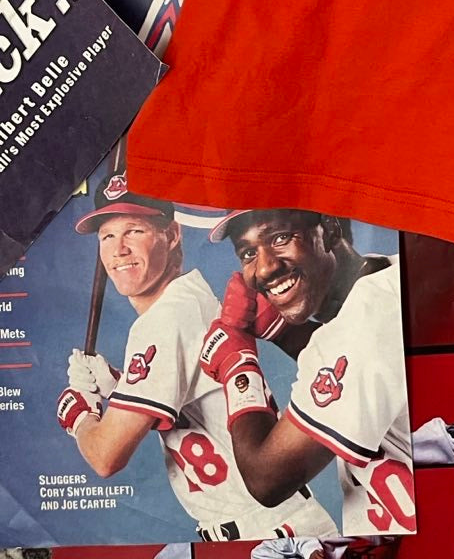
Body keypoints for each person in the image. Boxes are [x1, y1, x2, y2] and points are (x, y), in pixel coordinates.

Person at [54, 176, 336, 541]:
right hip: (269, 526)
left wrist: (81, 416)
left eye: (134, 231)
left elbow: (105, 456)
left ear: (173, 235)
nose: (119, 250)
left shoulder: (164, 319)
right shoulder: (188, 299)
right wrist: (118, 385)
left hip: (272, 532)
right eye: (107, 236)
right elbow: (190, 405)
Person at [197, 209, 454, 535]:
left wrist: (237, 363)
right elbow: (350, 368)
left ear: (330, 230)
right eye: (248, 253)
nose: (264, 267)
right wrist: (283, 332)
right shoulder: (383, 278)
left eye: (281, 237)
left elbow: (266, 480)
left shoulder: (362, 320)